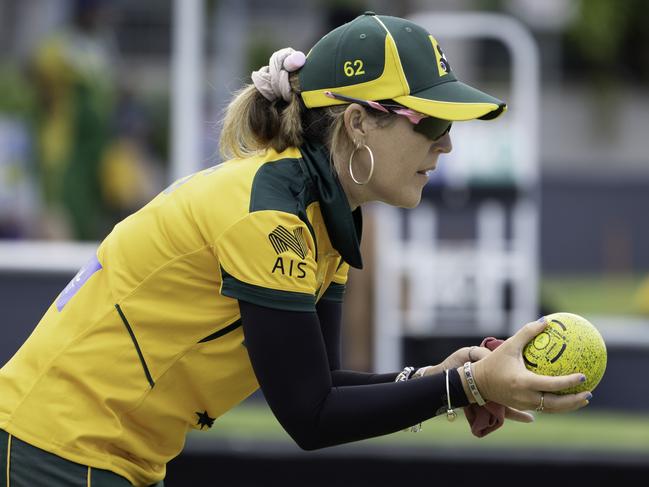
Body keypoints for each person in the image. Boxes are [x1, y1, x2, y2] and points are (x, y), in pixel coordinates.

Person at [0, 13, 591, 487]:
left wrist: (438, 377)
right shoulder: (270, 214)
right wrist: (466, 387)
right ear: (358, 122)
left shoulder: (323, 209)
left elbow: (323, 382)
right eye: (431, 124)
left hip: (98, 452)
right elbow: (310, 417)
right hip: (55, 446)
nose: (448, 147)